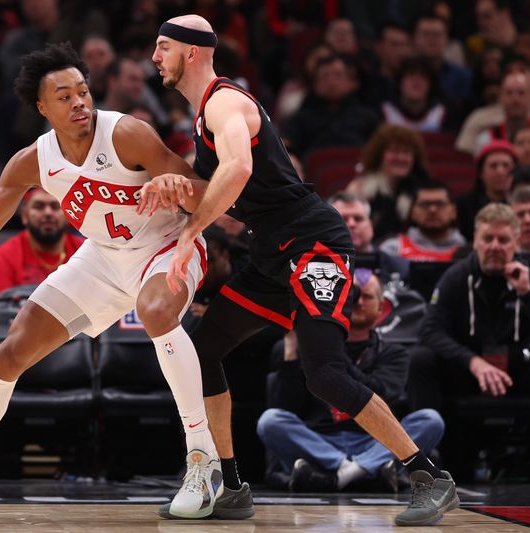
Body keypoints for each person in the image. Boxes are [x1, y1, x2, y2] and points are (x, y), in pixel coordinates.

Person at [150, 14, 458, 527]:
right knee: (203, 348)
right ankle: (229, 485)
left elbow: (239, 171)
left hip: (314, 243)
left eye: (163, 46)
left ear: (194, 52)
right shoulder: (203, 119)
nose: (155, 56)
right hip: (271, 253)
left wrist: (189, 232)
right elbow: (224, 191)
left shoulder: (226, 101)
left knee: (326, 374)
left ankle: (429, 476)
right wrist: (175, 189)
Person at [0, 42, 223, 520]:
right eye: (64, 96)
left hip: (167, 246)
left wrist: (178, 188)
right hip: (103, 259)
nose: (79, 102)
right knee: (11, 351)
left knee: (156, 311)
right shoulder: (32, 161)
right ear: (41, 107)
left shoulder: (128, 135)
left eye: (83, 91)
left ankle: (204, 462)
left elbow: (208, 196)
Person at [257, 270, 444, 493]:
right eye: (352, 295)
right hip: (319, 442)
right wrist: (291, 352)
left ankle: (342, 472)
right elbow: (288, 406)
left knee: (431, 420)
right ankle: (362, 470)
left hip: (377, 441)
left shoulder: (394, 353)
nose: (358, 302)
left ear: (381, 307)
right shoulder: (306, 348)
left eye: (367, 297)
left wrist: (330, 349)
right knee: (270, 420)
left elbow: (380, 394)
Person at [407, 203, 530, 475]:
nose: (495, 246)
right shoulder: (456, 276)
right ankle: (423, 463)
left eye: (503, 240)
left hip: (517, 372)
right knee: (421, 358)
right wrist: (472, 361)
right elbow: (429, 330)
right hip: (467, 373)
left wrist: (528, 294)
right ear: (475, 240)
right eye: (488, 238)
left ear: (516, 242)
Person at [0, 186, 84, 307]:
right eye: (39, 206)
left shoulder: (85, 251)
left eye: (55, 206)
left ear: (69, 214)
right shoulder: (5, 256)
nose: (48, 212)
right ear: (24, 215)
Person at [346, 124, 431, 239]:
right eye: (394, 151)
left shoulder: (424, 191)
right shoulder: (359, 188)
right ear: (379, 155)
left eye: (406, 152)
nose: (401, 158)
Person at [329, 192, 410, 284]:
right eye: (343, 219)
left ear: (371, 225)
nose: (351, 224)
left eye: (358, 218)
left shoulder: (399, 268)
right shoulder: (315, 265)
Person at [380, 181, 466, 262]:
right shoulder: (393, 250)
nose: (432, 210)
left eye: (440, 204)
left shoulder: (471, 252)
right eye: (425, 204)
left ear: (453, 212)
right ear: (412, 212)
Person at [457, 139, 517, 241]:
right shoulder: (464, 205)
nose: (500, 172)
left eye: (506, 165)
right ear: (481, 173)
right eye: (493, 166)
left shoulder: (522, 204)